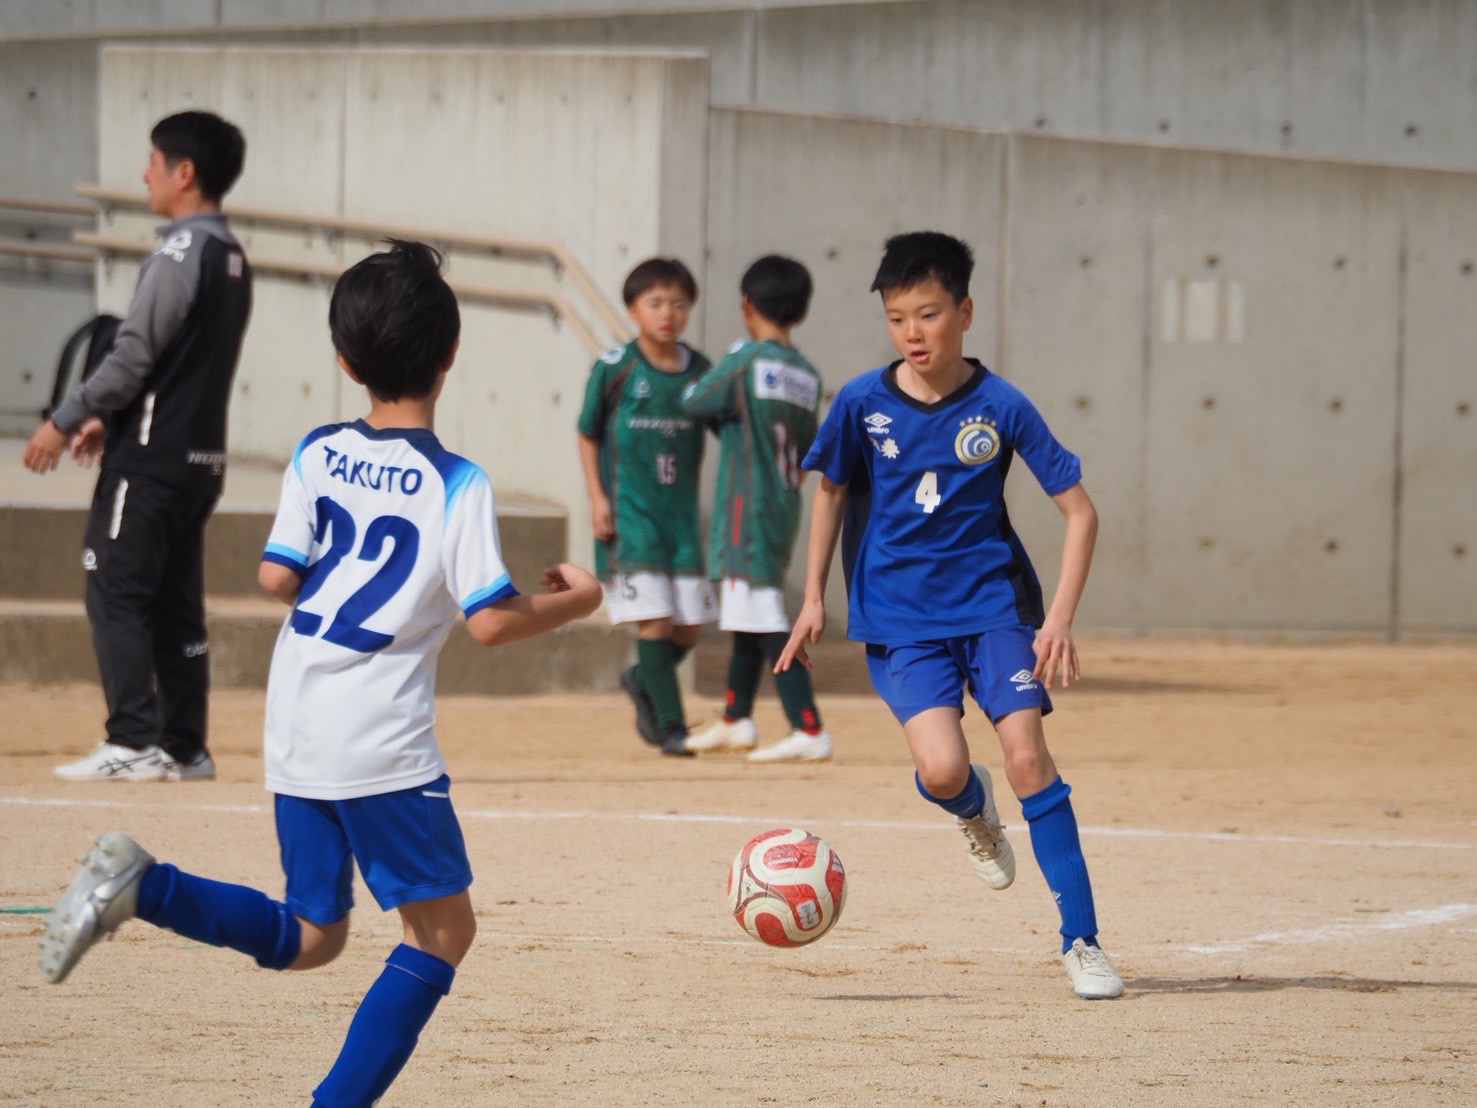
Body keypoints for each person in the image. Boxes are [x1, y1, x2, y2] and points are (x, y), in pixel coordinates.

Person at [38, 240, 604, 1106]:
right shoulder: (457, 483)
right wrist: (580, 600)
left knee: (313, 935)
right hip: (379, 738)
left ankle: (143, 884)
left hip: (297, 717)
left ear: (344, 362)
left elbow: (277, 576)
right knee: (442, 933)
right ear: (452, 354)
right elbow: (489, 620)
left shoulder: (317, 450)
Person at [777, 231, 1125, 1000]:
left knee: (1026, 756)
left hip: (994, 610)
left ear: (964, 313)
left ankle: (1082, 942)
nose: (912, 332)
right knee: (940, 770)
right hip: (899, 621)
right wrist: (812, 598)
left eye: (928, 314)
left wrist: (1057, 619)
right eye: (896, 317)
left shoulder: (1001, 406)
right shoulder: (861, 402)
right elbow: (829, 491)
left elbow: (1081, 513)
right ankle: (973, 811)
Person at [25, 110, 252, 783]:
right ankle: (186, 748)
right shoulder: (232, 257)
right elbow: (178, 367)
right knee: (176, 604)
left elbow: (133, 356)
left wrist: (66, 417)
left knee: (116, 591)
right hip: (197, 460)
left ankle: (132, 740)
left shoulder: (179, 255)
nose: (144, 175)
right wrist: (114, 421)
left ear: (185, 173)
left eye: (153, 163)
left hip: (149, 464)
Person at [679, 255, 831, 762]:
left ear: (747, 304)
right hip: (784, 503)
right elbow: (809, 451)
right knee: (748, 613)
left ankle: (808, 726)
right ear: (803, 312)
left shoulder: (745, 361)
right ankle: (736, 718)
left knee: (764, 615)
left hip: (746, 507)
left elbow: (696, 400)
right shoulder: (807, 373)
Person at [577, 257, 716, 756]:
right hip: (631, 518)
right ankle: (673, 726)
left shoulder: (701, 371)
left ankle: (642, 678)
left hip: (682, 522)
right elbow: (587, 432)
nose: (667, 314)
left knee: (689, 628)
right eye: (655, 303)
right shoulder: (616, 367)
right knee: (654, 621)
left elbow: (728, 424)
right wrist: (598, 499)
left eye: (679, 304)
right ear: (633, 309)